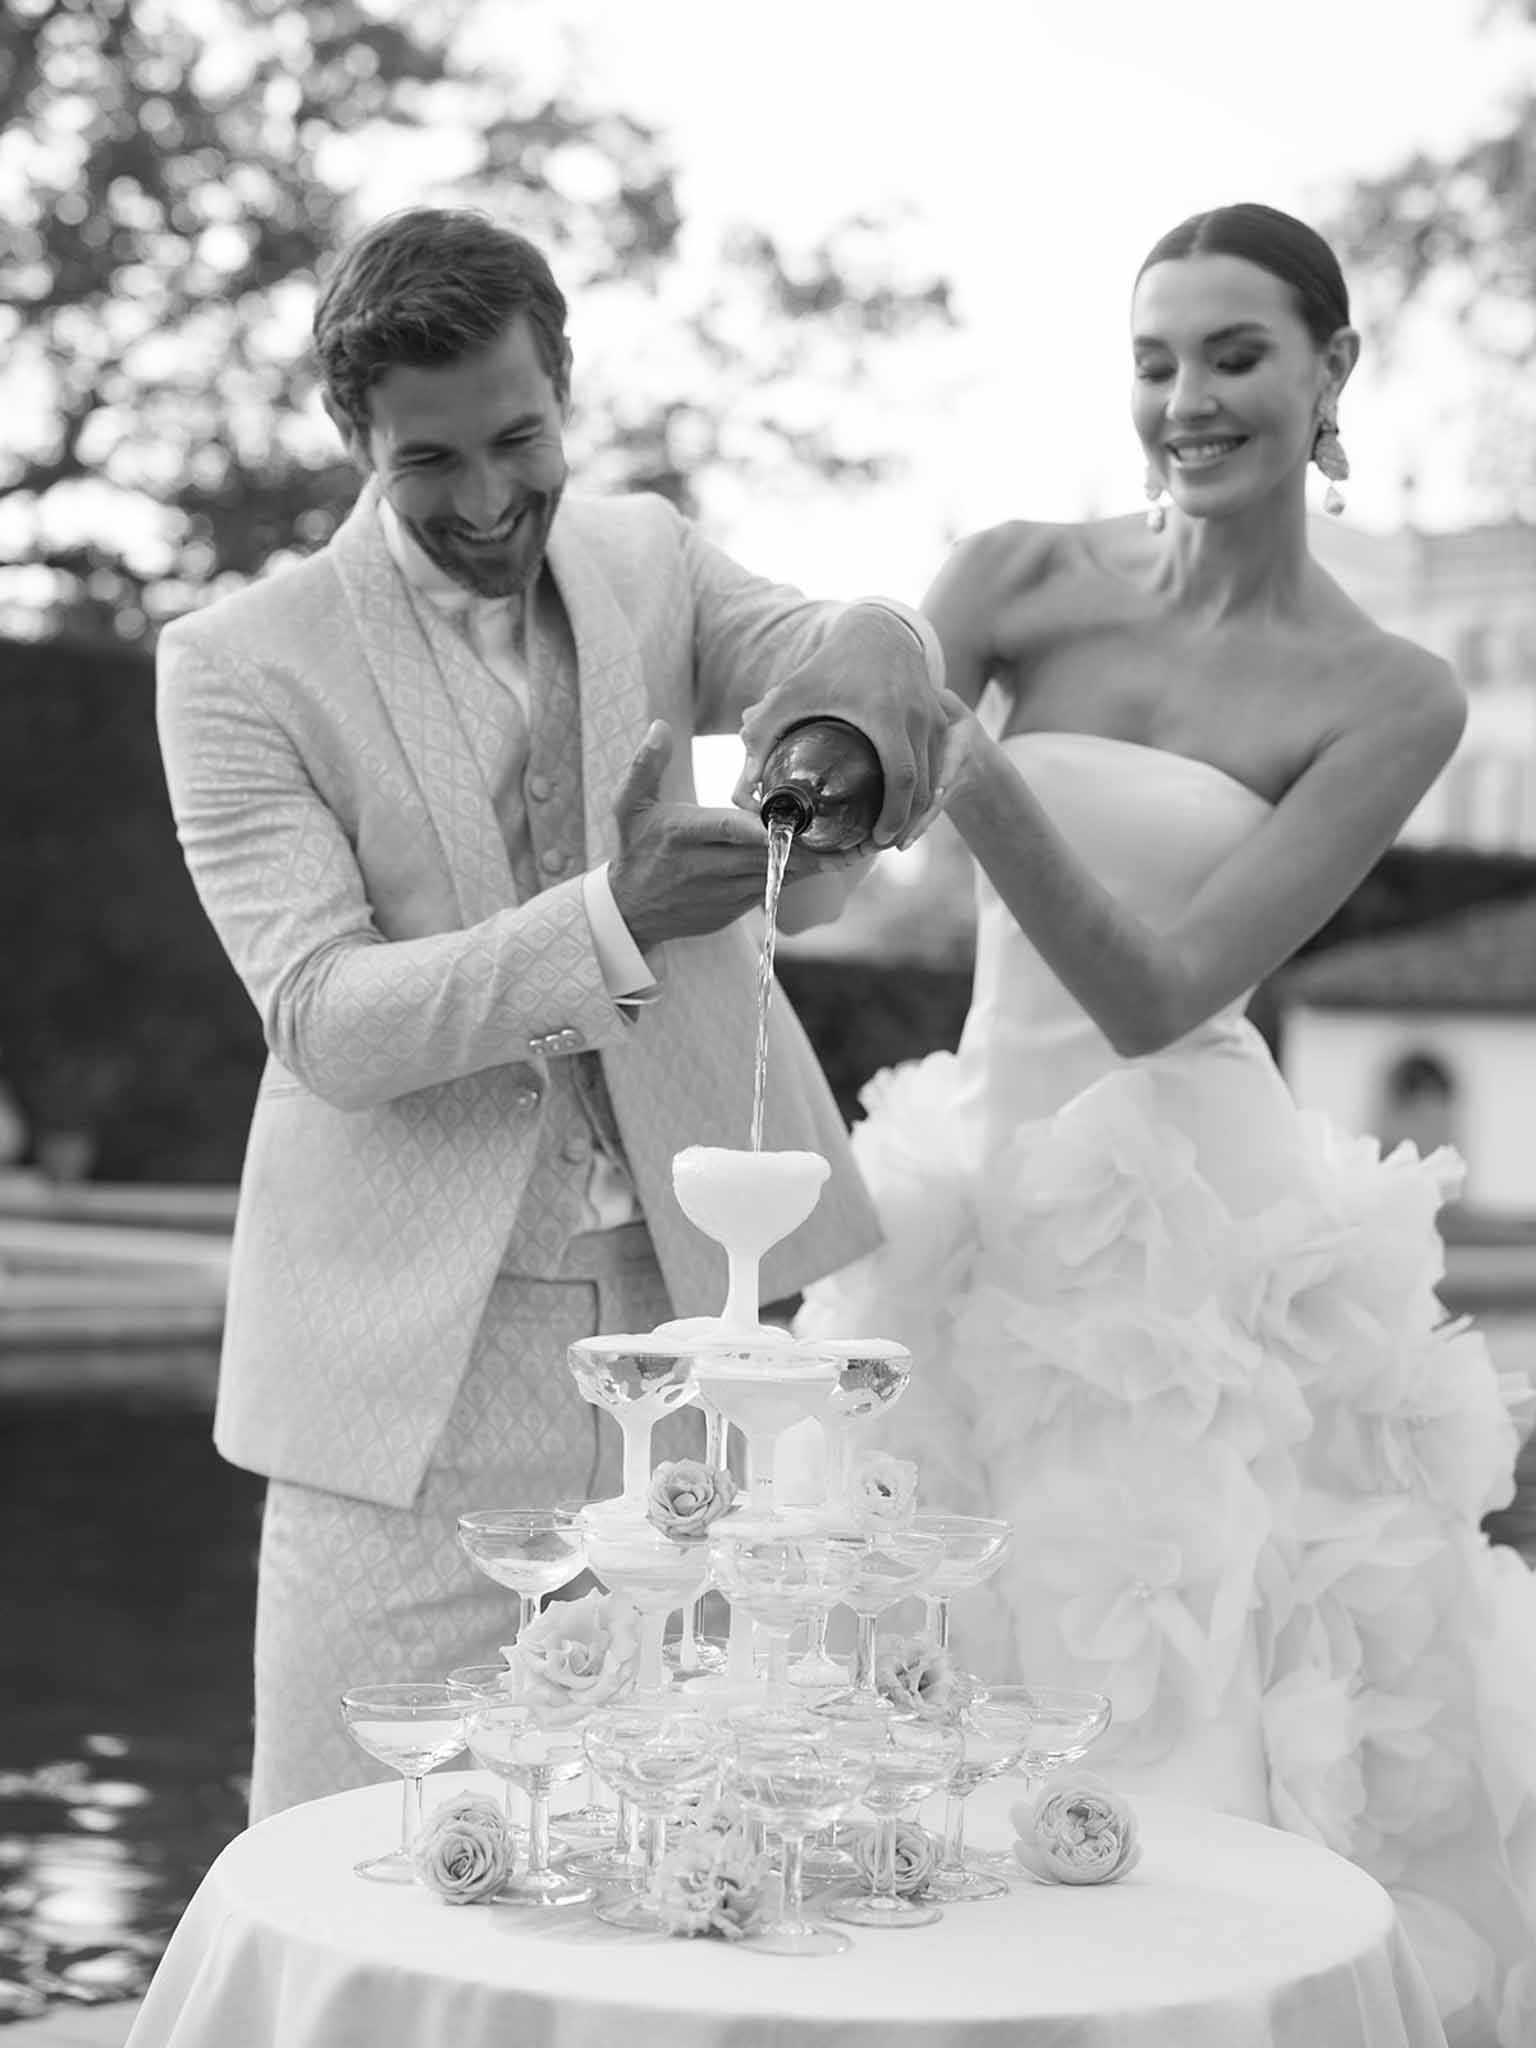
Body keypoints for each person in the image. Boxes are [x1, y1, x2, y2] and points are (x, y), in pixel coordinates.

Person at [798, 203, 1536, 2045]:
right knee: (910, 1706)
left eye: (1235, 356)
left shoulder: (1392, 692)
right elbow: (812, 891)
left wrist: (964, 763)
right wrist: (782, 804)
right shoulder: (1016, 576)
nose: (1188, 401)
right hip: (971, 1209)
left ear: (1332, 373)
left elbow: (1154, 989)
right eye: (1154, 361)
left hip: (1192, 1250)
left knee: (1172, 1736)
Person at [155, 206, 947, 1823]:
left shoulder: (648, 556)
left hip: (696, 1318)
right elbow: (324, 1018)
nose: (489, 498)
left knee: (687, 1835)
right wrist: (612, 917)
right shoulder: (235, 664)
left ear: (563, 390)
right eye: (428, 463)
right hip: (402, 1377)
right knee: (344, 1838)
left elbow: (825, 646)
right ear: (351, 436)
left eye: (519, 439)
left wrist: (866, 673)